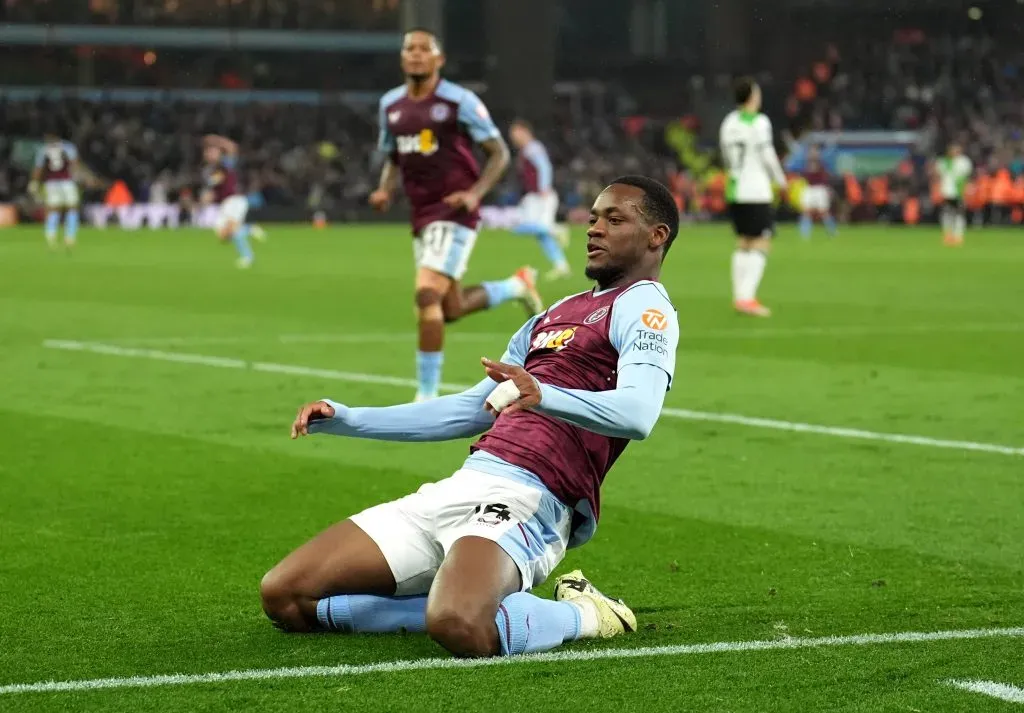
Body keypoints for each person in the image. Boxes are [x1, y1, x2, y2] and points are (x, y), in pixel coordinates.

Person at [261, 176, 680, 658]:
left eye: (614, 219)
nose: (594, 229)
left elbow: (638, 413)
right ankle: (463, 591)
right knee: (286, 596)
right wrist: (350, 419)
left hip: (531, 500)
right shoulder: (556, 312)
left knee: (459, 624)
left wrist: (542, 394)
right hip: (462, 486)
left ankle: (587, 614)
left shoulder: (645, 307)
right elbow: (469, 409)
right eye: (592, 218)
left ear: (656, 236)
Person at [369, 28, 544, 402]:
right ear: (402, 58)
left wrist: (475, 193)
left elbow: (499, 152)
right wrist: (386, 188)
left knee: (426, 294)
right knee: (450, 307)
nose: (415, 54)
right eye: (409, 49)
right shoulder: (391, 105)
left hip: (454, 211)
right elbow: (393, 156)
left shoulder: (458, 101)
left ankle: (426, 396)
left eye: (424, 49)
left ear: (438, 59)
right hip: (421, 215)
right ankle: (516, 287)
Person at [719, 77, 788, 317]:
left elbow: (726, 157)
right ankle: (747, 298)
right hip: (756, 190)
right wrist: (781, 181)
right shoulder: (759, 122)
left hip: (735, 188)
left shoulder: (729, 122)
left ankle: (740, 297)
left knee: (744, 242)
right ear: (752, 97)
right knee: (761, 241)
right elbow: (767, 154)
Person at [508, 119, 572, 280]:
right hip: (534, 197)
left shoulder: (532, 148)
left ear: (524, 131)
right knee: (541, 234)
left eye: (514, 133)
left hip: (540, 197)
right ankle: (561, 266)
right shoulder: (527, 150)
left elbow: (544, 167)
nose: (512, 138)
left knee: (523, 227)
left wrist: (544, 186)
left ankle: (557, 229)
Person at [201, 135, 265, 269]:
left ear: (219, 152)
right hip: (225, 204)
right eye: (208, 152)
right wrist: (207, 197)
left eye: (213, 152)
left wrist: (216, 140)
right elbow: (214, 188)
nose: (210, 155)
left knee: (233, 230)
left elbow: (232, 147)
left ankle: (247, 257)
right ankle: (249, 229)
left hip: (235, 200)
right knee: (223, 236)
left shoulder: (225, 164)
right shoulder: (210, 170)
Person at [30, 132, 80, 250]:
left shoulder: (43, 150)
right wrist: (78, 177)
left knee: (53, 208)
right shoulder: (68, 147)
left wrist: (34, 182)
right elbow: (75, 164)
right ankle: (70, 236)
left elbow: (38, 168)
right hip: (66, 181)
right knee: (72, 207)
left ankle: (50, 235)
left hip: (50, 182)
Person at [935, 143, 972, 246]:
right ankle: (948, 235)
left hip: (959, 192)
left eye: (956, 150)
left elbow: (966, 176)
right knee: (947, 214)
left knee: (959, 214)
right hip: (947, 192)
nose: (954, 152)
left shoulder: (964, 161)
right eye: (952, 149)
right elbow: (938, 174)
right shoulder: (944, 162)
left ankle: (958, 236)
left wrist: (965, 189)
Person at [799, 148, 837, 239]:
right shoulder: (805, 164)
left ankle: (832, 231)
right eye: (811, 152)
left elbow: (826, 178)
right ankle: (805, 234)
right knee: (806, 211)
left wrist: (828, 189)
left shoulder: (822, 164)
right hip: (809, 189)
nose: (813, 153)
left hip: (820, 189)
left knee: (824, 212)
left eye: (815, 151)